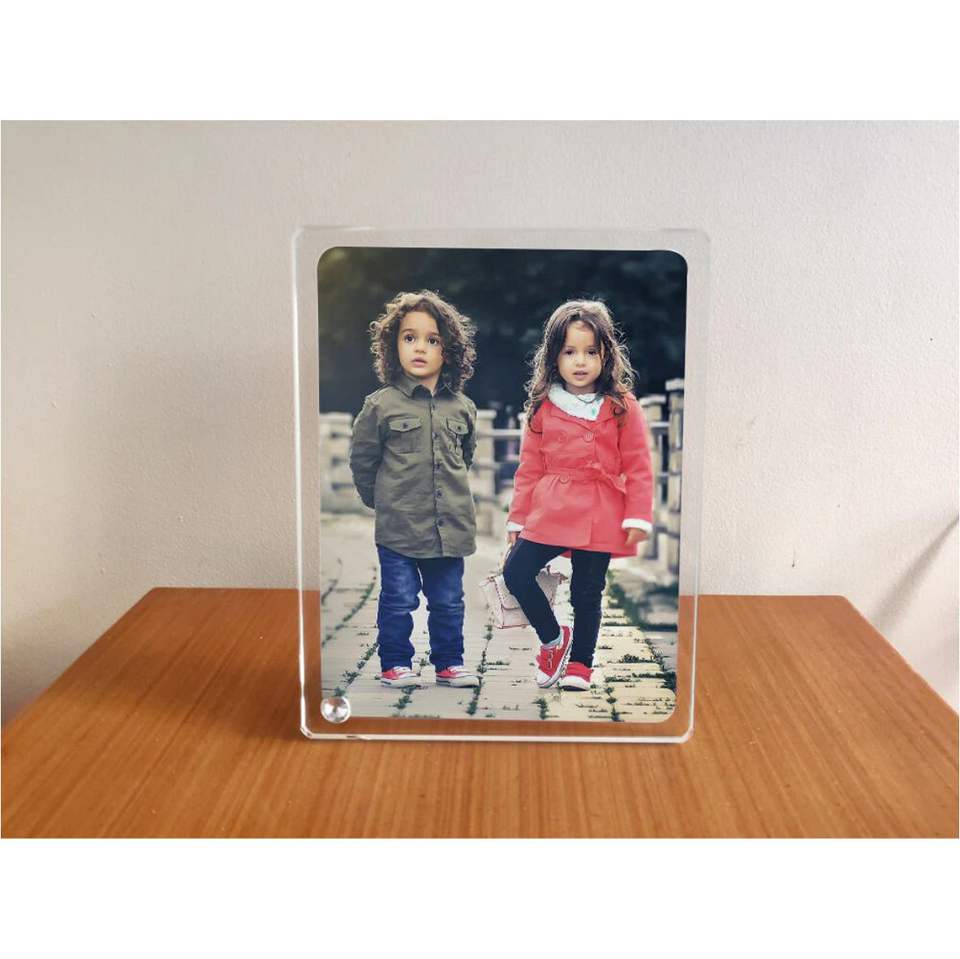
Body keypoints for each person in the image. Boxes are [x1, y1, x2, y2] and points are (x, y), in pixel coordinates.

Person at [503, 300, 654, 691]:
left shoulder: (621, 406)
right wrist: (518, 518)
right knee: (515, 571)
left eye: (591, 352)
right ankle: (554, 639)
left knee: (588, 591)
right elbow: (529, 469)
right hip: (551, 507)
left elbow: (638, 465)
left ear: (606, 355)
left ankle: (581, 665)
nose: (581, 361)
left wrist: (637, 515)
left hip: (601, 508)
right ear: (554, 356)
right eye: (570, 351)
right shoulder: (543, 407)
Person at [349, 290, 480, 689]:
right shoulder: (380, 406)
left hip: (450, 528)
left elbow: (465, 457)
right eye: (409, 338)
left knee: (448, 601)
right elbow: (363, 461)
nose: (419, 347)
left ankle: (449, 663)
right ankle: (395, 664)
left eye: (432, 340)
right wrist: (384, 502)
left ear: (449, 351)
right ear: (394, 346)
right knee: (399, 600)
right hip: (399, 528)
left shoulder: (463, 408)